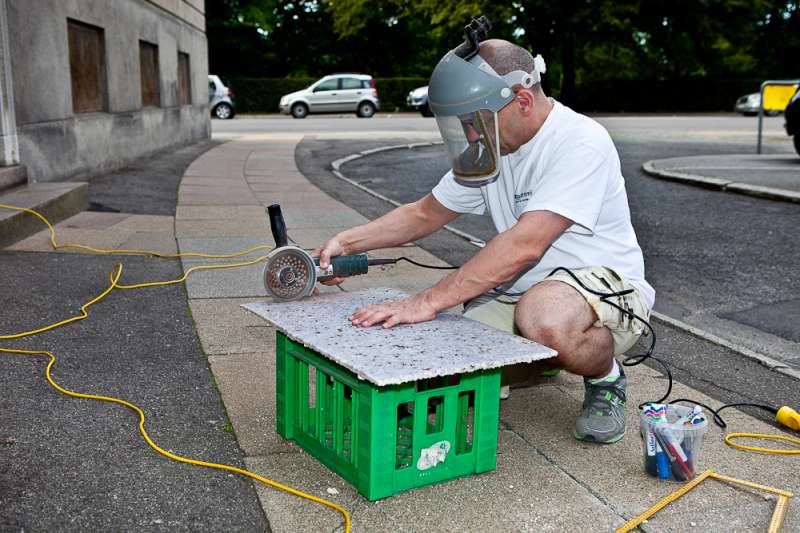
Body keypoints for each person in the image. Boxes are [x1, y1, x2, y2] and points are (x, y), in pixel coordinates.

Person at [315, 38, 654, 444]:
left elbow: (525, 245)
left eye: (475, 121)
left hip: (606, 292)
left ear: (522, 101)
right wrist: (347, 243)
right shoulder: (491, 149)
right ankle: (547, 355)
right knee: (433, 361)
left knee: (543, 318)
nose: (471, 134)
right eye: (463, 124)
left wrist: (425, 301)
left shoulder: (581, 142)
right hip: (523, 293)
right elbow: (424, 213)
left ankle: (605, 376)